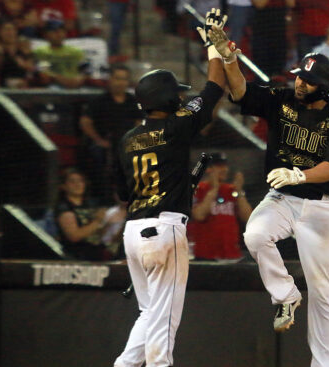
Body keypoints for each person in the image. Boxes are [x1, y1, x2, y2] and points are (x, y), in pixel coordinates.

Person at [210, 22, 329, 366]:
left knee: (323, 291)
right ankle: (286, 294)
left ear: (323, 88)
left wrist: (298, 173)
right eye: (299, 76)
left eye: (307, 81)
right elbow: (242, 93)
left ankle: (324, 363)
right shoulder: (282, 98)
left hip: (322, 207)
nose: (299, 83)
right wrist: (230, 61)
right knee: (256, 235)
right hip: (283, 199)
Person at [112, 9, 227, 367]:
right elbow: (214, 89)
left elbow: (120, 193)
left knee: (149, 315)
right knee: (163, 322)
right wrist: (212, 45)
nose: (180, 98)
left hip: (133, 232)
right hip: (165, 230)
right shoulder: (176, 127)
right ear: (166, 99)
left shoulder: (128, 139)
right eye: (175, 94)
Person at [79, 64, 143, 203]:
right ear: (110, 80)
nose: (121, 82)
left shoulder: (133, 101)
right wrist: (98, 139)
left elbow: (140, 122)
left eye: (124, 79)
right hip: (105, 144)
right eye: (117, 78)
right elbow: (85, 122)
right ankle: (103, 199)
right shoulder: (99, 101)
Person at [188, 152, 253, 260]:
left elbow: (248, 218)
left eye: (225, 166)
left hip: (231, 254)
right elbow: (199, 215)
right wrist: (214, 190)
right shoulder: (198, 189)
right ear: (208, 169)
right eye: (219, 166)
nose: (225, 169)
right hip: (206, 255)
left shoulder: (231, 190)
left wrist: (239, 191)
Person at [55, 168, 121, 260]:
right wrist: (98, 221)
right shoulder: (64, 208)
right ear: (63, 186)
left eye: (80, 181)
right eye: (72, 182)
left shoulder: (91, 205)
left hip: (97, 255)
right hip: (77, 257)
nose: (77, 185)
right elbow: (74, 236)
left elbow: (99, 234)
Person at [33, 20, 85, 88]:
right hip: (53, 85)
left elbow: (84, 69)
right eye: (55, 31)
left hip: (75, 84)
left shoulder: (75, 51)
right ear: (46, 34)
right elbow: (44, 71)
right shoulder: (41, 51)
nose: (59, 34)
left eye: (62, 31)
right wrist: (62, 80)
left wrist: (80, 78)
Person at [0, 21, 36, 88]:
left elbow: (30, 67)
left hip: (22, 82)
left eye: (12, 29)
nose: (9, 33)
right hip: (3, 83)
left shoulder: (23, 48)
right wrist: (0, 54)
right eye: (6, 30)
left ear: (16, 32)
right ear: (0, 32)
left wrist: (15, 56)